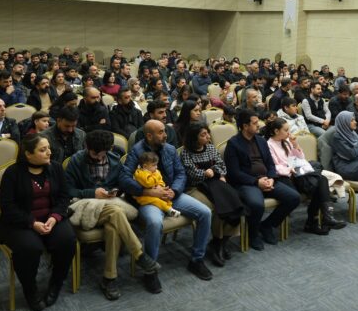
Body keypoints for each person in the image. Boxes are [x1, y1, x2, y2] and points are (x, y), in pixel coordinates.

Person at [64, 130, 161, 300]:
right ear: (87, 147)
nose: (97, 157)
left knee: (113, 227)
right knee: (116, 212)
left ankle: (109, 278)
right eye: (94, 153)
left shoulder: (115, 160)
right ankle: (138, 254)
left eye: (101, 154)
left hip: (109, 207)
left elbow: (123, 184)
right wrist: (92, 193)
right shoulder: (76, 160)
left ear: (109, 149)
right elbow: (67, 190)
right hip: (86, 207)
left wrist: (115, 191)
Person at [120, 120, 214, 293]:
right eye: (161, 132)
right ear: (149, 136)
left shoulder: (170, 149)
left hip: (171, 194)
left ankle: (197, 260)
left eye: (165, 131)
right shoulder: (136, 151)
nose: (165, 135)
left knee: (205, 212)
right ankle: (150, 271)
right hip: (149, 198)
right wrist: (148, 191)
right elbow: (124, 179)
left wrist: (175, 191)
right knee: (155, 222)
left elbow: (180, 173)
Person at [0, 134, 76, 311]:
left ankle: (56, 283)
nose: (49, 152)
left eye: (49, 148)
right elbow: (7, 206)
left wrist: (54, 217)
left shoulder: (55, 168)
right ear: (28, 154)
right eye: (43, 150)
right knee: (29, 248)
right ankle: (30, 290)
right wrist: (32, 223)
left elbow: (64, 197)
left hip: (51, 218)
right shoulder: (13, 173)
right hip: (20, 223)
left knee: (67, 240)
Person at [223, 109, 300, 250]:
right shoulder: (233, 144)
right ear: (245, 126)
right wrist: (256, 182)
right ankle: (252, 234)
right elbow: (234, 173)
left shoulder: (261, 140)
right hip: (247, 183)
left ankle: (267, 225)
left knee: (294, 197)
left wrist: (271, 178)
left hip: (266, 179)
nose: (258, 125)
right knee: (257, 204)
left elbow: (270, 164)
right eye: (254, 123)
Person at [180, 122, 245, 267]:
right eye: (203, 135)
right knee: (217, 207)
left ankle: (219, 243)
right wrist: (206, 173)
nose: (208, 136)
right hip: (195, 187)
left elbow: (221, 165)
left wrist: (214, 172)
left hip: (215, 183)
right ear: (194, 138)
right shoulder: (186, 152)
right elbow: (191, 174)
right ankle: (217, 242)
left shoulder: (210, 147)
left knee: (234, 202)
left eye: (207, 133)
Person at [265, 118, 345, 235]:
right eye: (286, 130)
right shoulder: (269, 145)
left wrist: (295, 144)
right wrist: (289, 169)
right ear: (276, 131)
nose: (289, 133)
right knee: (320, 183)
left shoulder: (286, 141)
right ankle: (317, 221)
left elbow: (301, 158)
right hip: (285, 177)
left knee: (321, 180)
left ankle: (324, 218)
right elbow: (273, 167)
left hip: (297, 174)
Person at [132, 152, 182, 217]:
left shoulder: (155, 171)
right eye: (154, 165)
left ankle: (169, 208)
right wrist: (156, 178)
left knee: (166, 197)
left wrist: (160, 186)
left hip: (155, 191)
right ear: (145, 166)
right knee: (156, 201)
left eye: (156, 164)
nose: (156, 167)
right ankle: (169, 210)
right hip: (143, 197)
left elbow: (161, 180)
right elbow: (148, 183)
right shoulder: (140, 173)